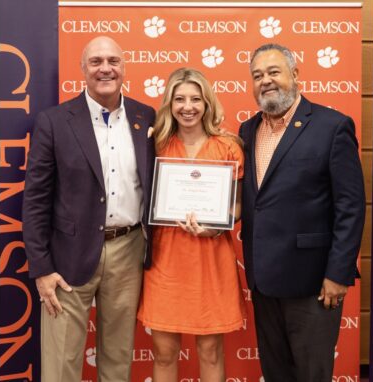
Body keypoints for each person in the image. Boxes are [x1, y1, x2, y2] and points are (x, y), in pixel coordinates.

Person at [22, 35, 155, 381]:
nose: (105, 68)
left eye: (113, 61)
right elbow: (35, 200)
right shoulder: (53, 121)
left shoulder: (145, 117)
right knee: (61, 362)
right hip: (67, 256)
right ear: (82, 70)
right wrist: (41, 268)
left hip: (129, 249)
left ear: (124, 68)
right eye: (96, 62)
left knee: (118, 356)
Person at [239, 43, 365, 381]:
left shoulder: (332, 127)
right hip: (263, 281)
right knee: (275, 372)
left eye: (273, 72)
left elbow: (350, 207)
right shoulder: (247, 131)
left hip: (313, 282)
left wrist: (338, 273)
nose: (265, 80)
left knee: (312, 373)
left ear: (295, 74)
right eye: (257, 75)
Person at [136, 68, 245, 382]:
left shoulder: (228, 147)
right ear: (169, 104)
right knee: (164, 353)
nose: (188, 106)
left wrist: (216, 225)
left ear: (207, 103)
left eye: (196, 99)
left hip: (211, 259)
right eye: (179, 99)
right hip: (166, 260)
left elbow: (237, 207)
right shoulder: (154, 145)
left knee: (211, 352)